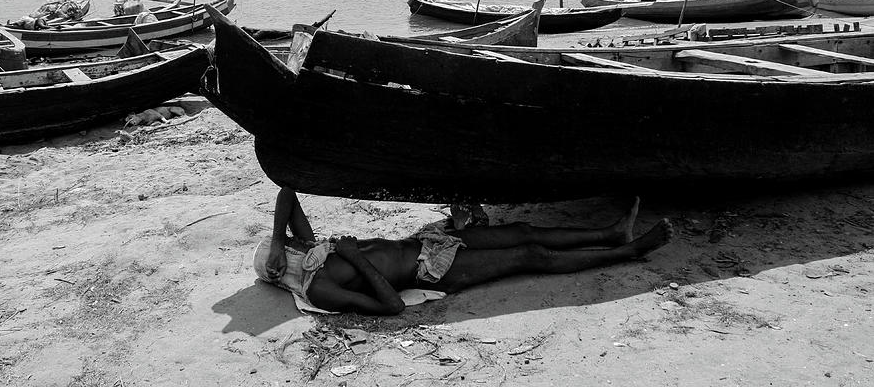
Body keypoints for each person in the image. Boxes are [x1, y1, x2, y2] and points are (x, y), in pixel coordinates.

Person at [258, 188, 674, 315]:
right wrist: (354, 257)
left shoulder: (314, 250)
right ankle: (631, 251)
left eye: (286, 247)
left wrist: (278, 239)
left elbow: (287, 193)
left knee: (520, 229)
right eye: (282, 256)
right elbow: (390, 307)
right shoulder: (319, 289)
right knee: (530, 255)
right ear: (280, 274)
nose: (291, 249)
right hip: (434, 272)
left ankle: (611, 232)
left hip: (427, 243)